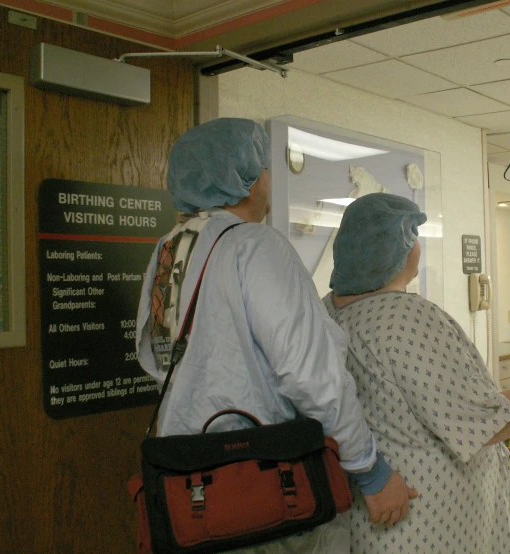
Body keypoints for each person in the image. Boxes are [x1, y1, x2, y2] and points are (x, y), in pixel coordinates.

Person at [135, 118, 416, 554]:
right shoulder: (254, 245)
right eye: (264, 168)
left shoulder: (170, 249)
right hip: (263, 489)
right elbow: (311, 375)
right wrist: (370, 471)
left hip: (192, 492)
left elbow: (156, 358)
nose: (269, 179)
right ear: (247, 181)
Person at [321, 193, 510, 554]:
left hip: (368, 522)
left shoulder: (326, 314)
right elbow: (492, 422)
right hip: (430, 523)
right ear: (397, 247)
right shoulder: (405, 319)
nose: (417, 246)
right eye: (413, 235)